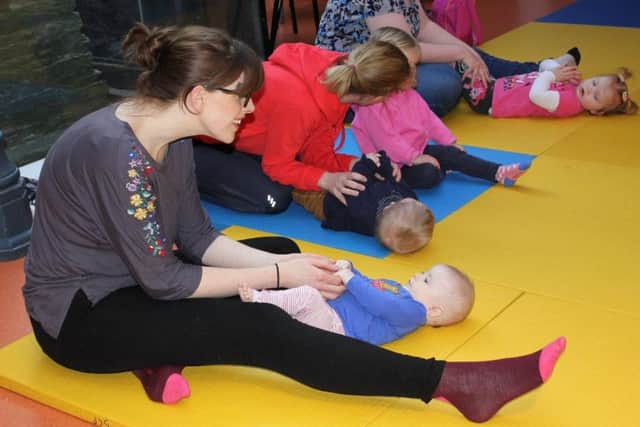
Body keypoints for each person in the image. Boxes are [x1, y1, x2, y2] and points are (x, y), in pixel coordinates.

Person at [23, 23, 567, 424]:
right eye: (241, 99)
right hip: (82, 317)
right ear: (196, 96)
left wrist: (289, 264)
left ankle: (157, 352)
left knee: (282, 246)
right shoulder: (117, 154)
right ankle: (453, 385)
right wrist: (283, 277)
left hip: (136, 279)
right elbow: (167, 279)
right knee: (264, 325)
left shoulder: (174, 137)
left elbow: (195, 238)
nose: (249, 111)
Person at [193, 36, 414, 213]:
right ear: (374, 95)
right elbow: (277, 166)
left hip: (243, 139)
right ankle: (181, 181)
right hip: (197, 143)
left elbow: (315, 154)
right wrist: (326, 179)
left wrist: (360, 164)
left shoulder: (336, 77)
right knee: (275, 198)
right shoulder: (302, 105)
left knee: (299, 170)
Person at [315, 0, 578, 117]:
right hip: (361, 77)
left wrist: (467, 52)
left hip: (399, 57)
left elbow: (424, 26)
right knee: (446, 84)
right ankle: (498, 88)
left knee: (470, 55)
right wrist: (460, 54)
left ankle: (539, 71)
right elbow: (406, 48)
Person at [351, 27, 532, 189]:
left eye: (416, 64)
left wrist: (449, 142)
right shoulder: (371, 106)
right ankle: (442, 167)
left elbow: (428, 118)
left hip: (417, 151)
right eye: (410, 66)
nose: (415, 71)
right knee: (428, 175)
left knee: (453, 155)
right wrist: (415, 158)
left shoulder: (408, 94)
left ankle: (498, 172)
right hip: (390, 164)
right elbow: (388, 141)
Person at [239, 260, 475, 345]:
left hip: (336, 329)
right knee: (317, 280)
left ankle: (261, 300)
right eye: (424, 271)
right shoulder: (399, 289)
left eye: (426, 279)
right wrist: (352, 270)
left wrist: (350, 280)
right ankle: (278, 303)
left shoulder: (413, 313)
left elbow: (381, 305)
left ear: (433, 310)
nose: (417, 275)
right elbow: (370, 285)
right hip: (330, 309)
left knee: (309, 295)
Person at [293, 151, 435, 254]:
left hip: (330, 203)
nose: (417, 201)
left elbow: (355, 183)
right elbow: (394, 181)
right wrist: (383, 163)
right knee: (326, 166)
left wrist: (367, 163)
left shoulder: (364, 212)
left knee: (302, 190)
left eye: (417, 204)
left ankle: (289, 185)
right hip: (359, 187)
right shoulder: (406, 199)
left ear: (390, 207)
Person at [460, 60, 638, 117]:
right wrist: (557, 66)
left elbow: (536, 95)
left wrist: (552, 75)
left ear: (595, 111)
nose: (591, 90)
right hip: (495, 84)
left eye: (596, 97)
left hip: (490, 99)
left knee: (460, 68)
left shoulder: (570, 103)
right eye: (594, 83)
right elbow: (543, 65)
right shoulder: (575, 84)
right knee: (471, 64)